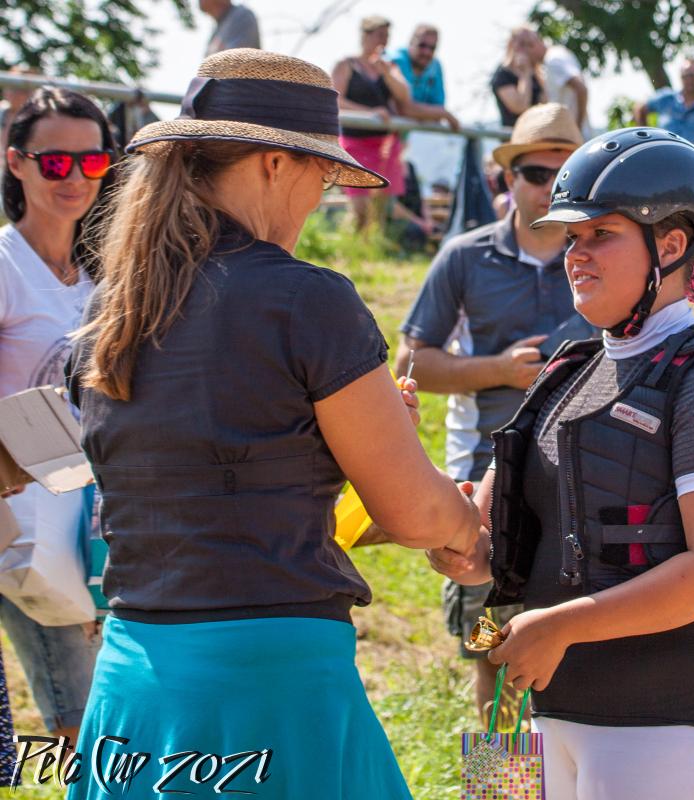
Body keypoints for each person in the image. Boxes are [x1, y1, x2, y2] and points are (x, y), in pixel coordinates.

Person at [63, 49, 479, 798]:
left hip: (137, 676)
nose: (322, 196)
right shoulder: (307, 300)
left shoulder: (111, 309)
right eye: (323, 172)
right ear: (276, 163)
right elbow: (415, 513)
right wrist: (468, 524)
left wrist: (344, 450)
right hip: (269, 681)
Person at [429, 127, 694, 800]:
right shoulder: (564, 374)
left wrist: (561, 625)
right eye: (572, 237)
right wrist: (453, 541)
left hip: (675, 722)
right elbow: (489, 553)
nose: (577, 254)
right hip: (543, 706)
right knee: (491, 769)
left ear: (672, 246)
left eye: (601, 234)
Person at [396, 103, 584, 723]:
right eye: (536, 173)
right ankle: (498, 777)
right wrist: (498, 370)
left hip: (588, 482)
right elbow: (411, 365)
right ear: (508, 177)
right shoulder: (464, 257)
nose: (549, 187)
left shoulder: (602, 255)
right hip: (486, 491)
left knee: (582, 653)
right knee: (494, 658)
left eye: (564, 174)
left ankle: (560, 774)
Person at [1, 86, 116, 747]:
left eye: (92, 161)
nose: (74, 177)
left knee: (101, 711)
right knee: (82, 719)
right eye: (54, 162)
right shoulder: (6, 268)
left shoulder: (105, 276)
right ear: (16, 163)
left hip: (95, 521)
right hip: (24, 521)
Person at [333, 16, 458, 230]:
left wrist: (387, 74)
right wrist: (370, 113)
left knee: (382, 212)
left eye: (387, 36)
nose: (383, 41)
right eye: (379, 35)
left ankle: (376, 247)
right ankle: (352, 244)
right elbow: (336, 100)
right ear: (365, 35)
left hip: (386, 146)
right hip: (355, 143)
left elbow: (404, 95)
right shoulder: (346, 64)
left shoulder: (389, 66)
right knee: (360, 209)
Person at [634, 58, 694, 149]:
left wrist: (690, 151)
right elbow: (640, 108)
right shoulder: (666, 98)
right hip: (662, 154)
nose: (690, 80)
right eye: (686, 76)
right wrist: (647, 139)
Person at [492, 26, 547, 127]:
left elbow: (546, 104)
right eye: (522, 43)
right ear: (512, 45)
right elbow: (520, 107)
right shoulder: (503, 75)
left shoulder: (536, 73)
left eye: (531, 44)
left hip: (538, 131)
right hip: (515, 133)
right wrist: (525, 74)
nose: (526, 49)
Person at [391, 24, 450, 110]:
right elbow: (403, 108)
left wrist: (441, 113)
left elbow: (439, 106)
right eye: (422, 45)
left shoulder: (435, 66)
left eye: (432, 48)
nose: (426, 52)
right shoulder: (395, 60)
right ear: (411, 43)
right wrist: (446, 114)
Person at [543, 43, 592, 138]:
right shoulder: (559, 52)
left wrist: (577, 129)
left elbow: (581, 89)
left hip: (571, 136)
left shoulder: (552, 60)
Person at [0, 66, 37, 153]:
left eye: (20, 88)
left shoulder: (38, 118)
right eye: (9, 86)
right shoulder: (2, 111)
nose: (11, 92)